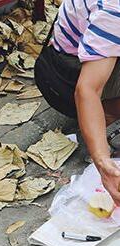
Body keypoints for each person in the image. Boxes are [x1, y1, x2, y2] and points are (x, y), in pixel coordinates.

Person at [34, 0, 120, 205]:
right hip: (65, 79)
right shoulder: (113, 11)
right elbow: (87, 90)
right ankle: (104, 121)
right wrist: (102, 161)